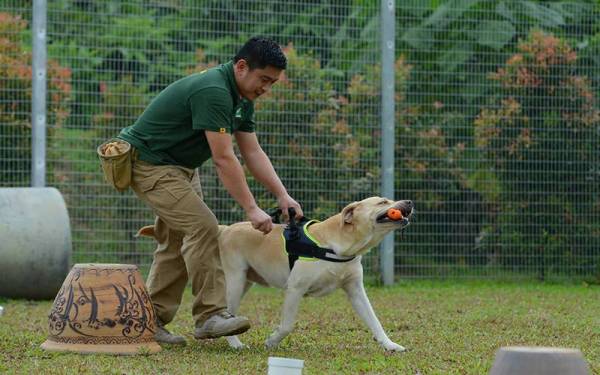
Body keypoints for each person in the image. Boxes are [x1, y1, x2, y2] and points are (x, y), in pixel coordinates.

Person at [117, 37, 303, 345]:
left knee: (177, 238)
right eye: (264, 80)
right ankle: (210, 315)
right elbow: (223, 158)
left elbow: (252, 152)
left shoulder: (242, 97)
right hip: (149, 163)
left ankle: (150, 322)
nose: (266, 88)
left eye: (272, 83)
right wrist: (252, 209)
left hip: (180, 168)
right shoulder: (215, 92)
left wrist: (282, 195)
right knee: (203, 227)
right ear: (242, 67)